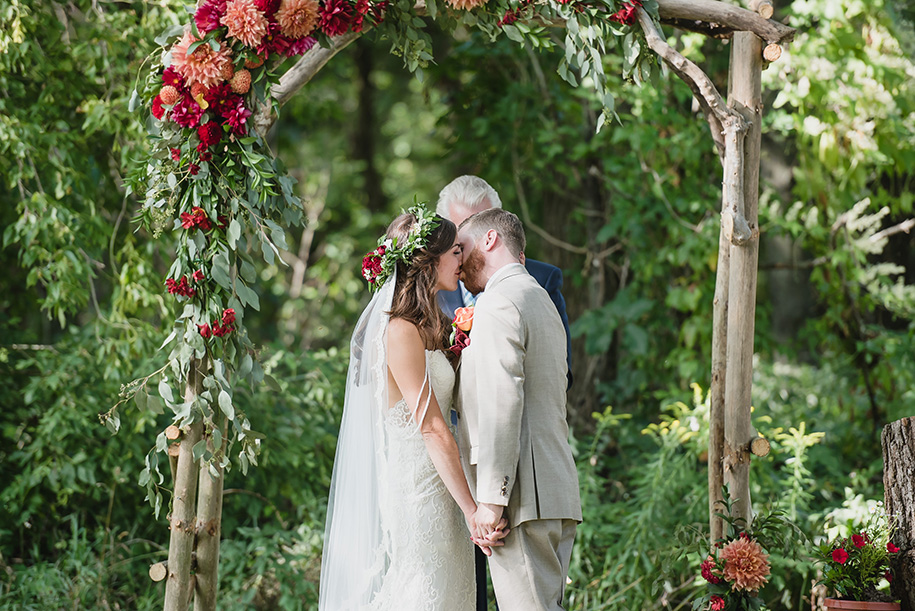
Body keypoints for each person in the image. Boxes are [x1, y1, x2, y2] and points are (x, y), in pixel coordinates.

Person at [319, 205, 505, 610]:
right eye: (455, 251)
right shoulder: (399, 330)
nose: (463, 259)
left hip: (445, 483)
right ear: (427, 260)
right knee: (426, 591)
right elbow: (432, 427)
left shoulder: (430, 324)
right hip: (419, 489)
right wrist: (474, 511)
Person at [457, 208, 582, 611]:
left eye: (463, 247)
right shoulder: (538, 298)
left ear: (490, 239)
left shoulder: (499, 302)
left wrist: (492, 501)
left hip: (522, 499)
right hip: (553, 489)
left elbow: (501, 402)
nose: (458, 263)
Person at [435, 175, 573, 389]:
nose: (474, 243)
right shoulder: (432, 289)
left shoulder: (542, 280)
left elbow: (560, 370)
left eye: (480, 226)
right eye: (462, 233)